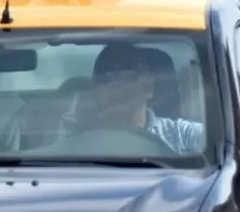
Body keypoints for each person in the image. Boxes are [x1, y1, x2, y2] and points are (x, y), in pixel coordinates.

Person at [69, 43, 204, 154]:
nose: (116, 85)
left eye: (128, 75)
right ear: (95, 90)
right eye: (106, 77)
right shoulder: (74, 142)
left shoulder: (183, 136)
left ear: (149, 87)